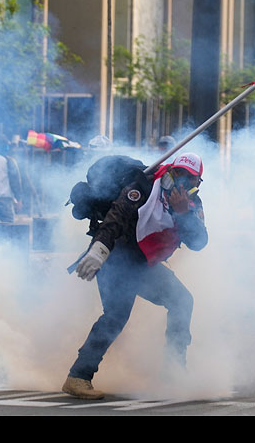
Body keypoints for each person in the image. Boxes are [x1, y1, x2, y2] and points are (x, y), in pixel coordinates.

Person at [62, 152, 208, 399]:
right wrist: (100, 250)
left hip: (142, 264)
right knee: (116, 316)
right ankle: (78, 377)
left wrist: (183, 214)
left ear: (196, 185)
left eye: (189, 180)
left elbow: (199, 242)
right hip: (116, 255)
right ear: (170, 172)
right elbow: (116, 216)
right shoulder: (145, 185)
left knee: (182, 301)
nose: (181, 184)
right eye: (178, 175)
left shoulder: (193, 205)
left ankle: (173, 370)